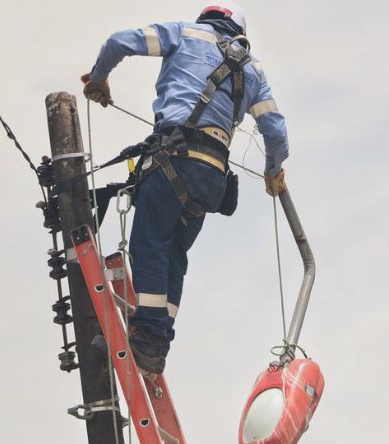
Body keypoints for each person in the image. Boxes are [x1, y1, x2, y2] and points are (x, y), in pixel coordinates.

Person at [82, 3, 289, 374]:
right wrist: (273, 171)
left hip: (174, 158)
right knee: (174, 255)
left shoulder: (184, 34)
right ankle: (157, 342)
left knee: (150, 244)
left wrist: (99, 79)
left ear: (207, 19)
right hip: (212, 177)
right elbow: (275, 130)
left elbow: (118, 42)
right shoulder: (254, 69)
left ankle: (147, 333)